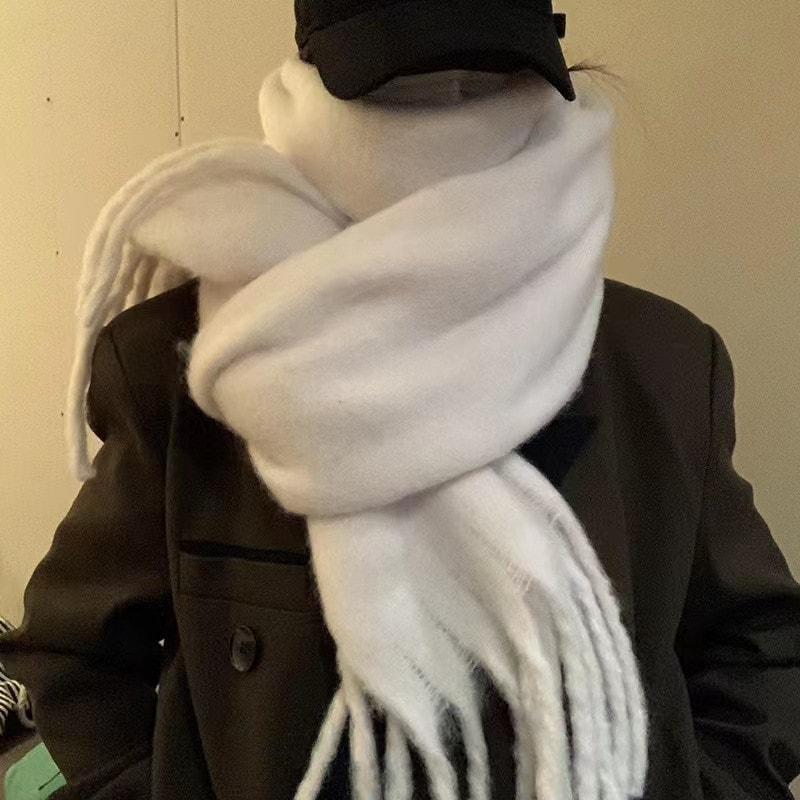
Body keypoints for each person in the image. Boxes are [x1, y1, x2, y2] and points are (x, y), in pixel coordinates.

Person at [2, 1, 799, 798]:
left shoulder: (661, 368)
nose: (452, 109)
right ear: (313, 84)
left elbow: (765, 647)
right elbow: (75, 653)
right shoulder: (189, 368)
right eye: (397, 90)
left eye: (495, 81)